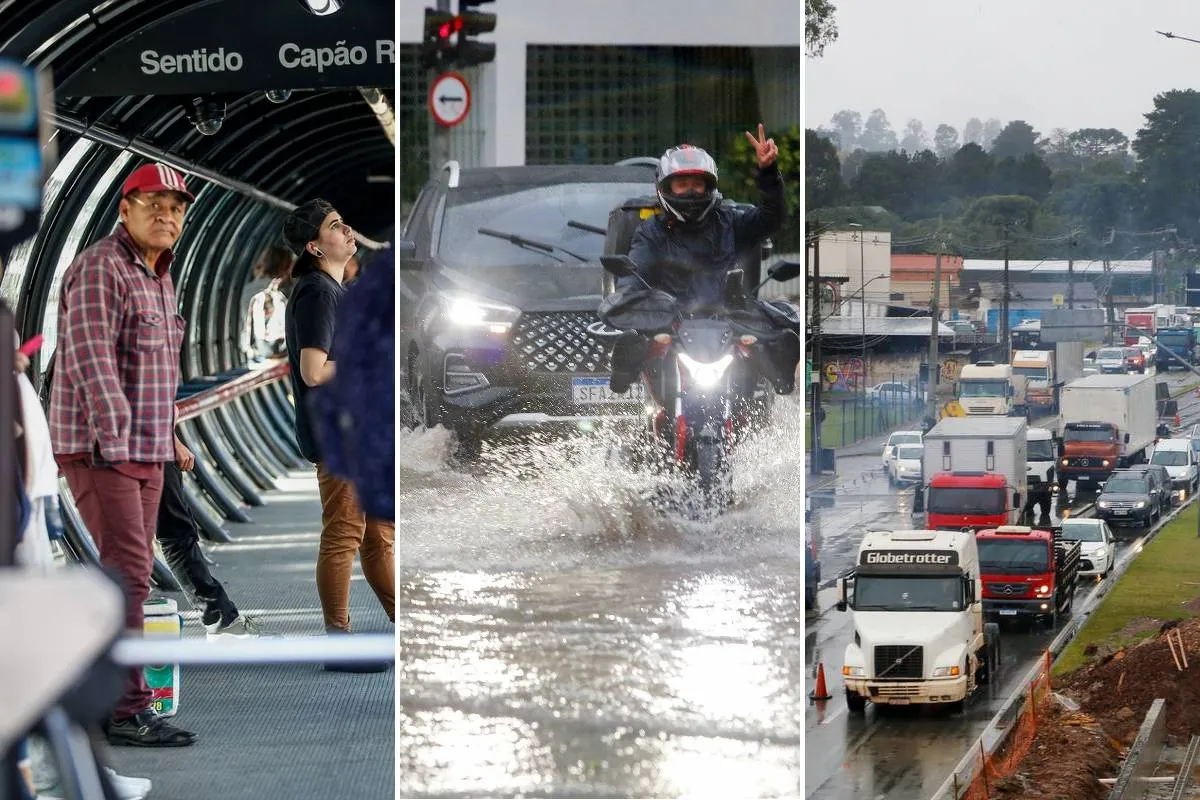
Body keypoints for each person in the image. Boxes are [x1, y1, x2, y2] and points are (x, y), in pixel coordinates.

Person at [48, 161, 198, 747]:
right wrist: (117, 445)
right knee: (127, 576)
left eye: (177, 207)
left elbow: (159, 370)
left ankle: (115, 699)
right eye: (153, 203)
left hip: (146, 448)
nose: (167, 215)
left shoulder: (159, 275)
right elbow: (91, 362)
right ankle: (123, 708)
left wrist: (169, 438)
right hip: (104, 449)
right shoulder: (99, 270)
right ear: (124, 209)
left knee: (129, 575)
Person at [281, 199, 395, 673]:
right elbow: (313, 371)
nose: (348, 230)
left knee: (378, 535)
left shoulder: (330, 287)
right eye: (335, 226)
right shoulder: (317, 292)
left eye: (345, 223)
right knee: (347, 533)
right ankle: (338, 642)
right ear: (314, 245)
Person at [607, 125, 789, 395]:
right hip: (673, 325)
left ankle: (759, 405)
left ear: (709, 186)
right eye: (682, 184)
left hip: (727, 322)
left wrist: (768, 173)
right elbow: (635, 271)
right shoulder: (651, 231)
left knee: (783, 340)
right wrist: (626, 298)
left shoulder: (731, 220)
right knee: (632, 346)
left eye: (697, 183)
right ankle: (651, 407)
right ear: (666, 187)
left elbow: (772, 217)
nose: (691, 192)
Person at [157, 434, 261, 638]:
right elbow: (151, 404)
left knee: (127, 538)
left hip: (96, 450)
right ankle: (221, 621)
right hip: (147, 444)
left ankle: (115, 632)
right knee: (175, 531)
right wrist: (173, 441)